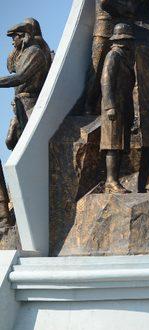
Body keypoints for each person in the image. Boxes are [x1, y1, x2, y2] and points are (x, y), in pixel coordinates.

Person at [0, 20, 50, 228]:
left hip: (30, 103)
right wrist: (15, 51)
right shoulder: (21, 53)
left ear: (26, 35)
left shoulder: (35, 52)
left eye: (16, 37)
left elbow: (20, 77)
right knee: (12, 143)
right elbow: (11, 66)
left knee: (30, 149)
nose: (13, 41)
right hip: (20, 105)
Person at [100, 23, 136, 194]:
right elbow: (106, 81)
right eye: (128, 40)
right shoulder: (113, 55)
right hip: (114, 108)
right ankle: (111, 181)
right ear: (122, 40)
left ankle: (115, 180)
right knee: (113, 145)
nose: (131, 43)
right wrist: (110, 106)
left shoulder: (124, 57)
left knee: (120, 145)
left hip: (123, 105)